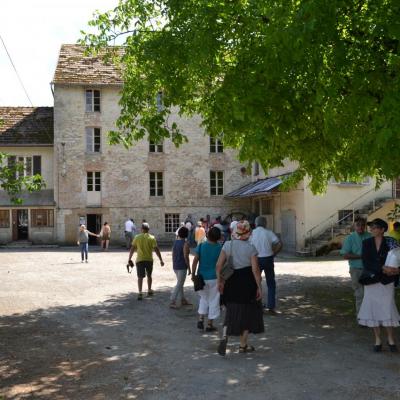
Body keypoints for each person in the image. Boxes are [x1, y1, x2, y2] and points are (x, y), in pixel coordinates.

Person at [216, 220, 264, 355]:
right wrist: (259, 287)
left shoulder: (228, 245)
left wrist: (220, 281)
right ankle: (243, 345)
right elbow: (255, 270)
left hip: (231, 282)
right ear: (248, 233)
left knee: (231, 310)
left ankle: (225, 335)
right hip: (247, 283)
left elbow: (218, 266)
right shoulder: (251, 248)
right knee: (247, 313)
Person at [358, 218, 400, 352]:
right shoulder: (366, 243)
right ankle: (377, 339)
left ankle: (390, 338)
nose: (371, 229)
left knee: (387, 307)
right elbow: (366, 262)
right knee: (373, 309)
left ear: (382, 229)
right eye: (371, 227)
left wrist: (397, 270)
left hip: (387, 280)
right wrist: (382, 268)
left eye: (374, 227)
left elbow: (398, 258)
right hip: (371, 280)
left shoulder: (391, 241)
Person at [191, 227, 223, 332]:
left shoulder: (201, 246)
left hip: (202, 277)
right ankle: (210, 324)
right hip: (215, 277)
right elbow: (222, 264)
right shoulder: (220, 248)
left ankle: (201, 319)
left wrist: (193, 274)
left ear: (208, 235)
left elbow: (195, 261)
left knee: (203, 298)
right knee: (214, 300)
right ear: (218, 237)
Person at [250, 216, 282, 314]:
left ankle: (257, 305)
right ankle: (271, 307)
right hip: (268, 258)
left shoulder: (252, 233)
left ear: (256, 223)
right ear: (265, 224)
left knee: (256, 282)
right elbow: (279, 243)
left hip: (256, 259)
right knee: (271, 283)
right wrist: (274, 253)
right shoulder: (269, 232)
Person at [339, 217, 371, 315]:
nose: (360, 227)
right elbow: (345, 255)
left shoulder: (370, 236)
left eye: (362, 225)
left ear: (365, 226)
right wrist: (361, 256)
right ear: (354, 226)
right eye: (358, 225)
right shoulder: (350, 238)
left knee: (371, 294)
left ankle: (370, 316)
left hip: (370, 269)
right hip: (356, 270)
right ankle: (361, 317)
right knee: (360, 294)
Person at [128, 222, 165, 300]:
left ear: (141, 229)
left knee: (140, 277)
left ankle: (140, 292)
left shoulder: (137, 237)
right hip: (149, 259)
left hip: (140, 260)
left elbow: (132, 249)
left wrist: (129, 258)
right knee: (149, 276)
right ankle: (149, 290)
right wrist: (161, 260)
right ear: (148, 229)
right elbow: (156, 250)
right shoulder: (152, 238)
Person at [170, 226, 192, 308]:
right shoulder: (185, 244)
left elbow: (173, 254)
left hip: (176, 265)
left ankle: (183, 299)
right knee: (179, 284)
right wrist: (189, 268)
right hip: (182, 266)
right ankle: (172, 300)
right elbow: (186, 256)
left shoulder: (175, 242)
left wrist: (174, 263)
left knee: (180, 283)